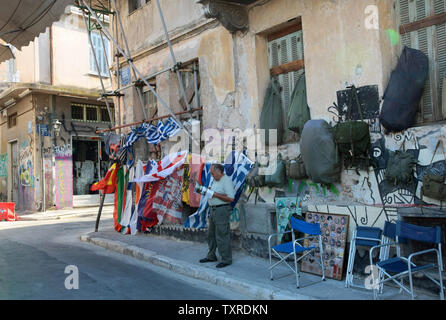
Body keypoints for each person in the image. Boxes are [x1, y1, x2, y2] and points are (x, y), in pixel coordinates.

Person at [199, 163, 236, 268]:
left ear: (219, 172)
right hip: (213, 210)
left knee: (222, 235)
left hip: (221, 210)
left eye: (212, 173)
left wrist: (215, 194)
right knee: (211, 235)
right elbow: (214, 192)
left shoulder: (226, 180)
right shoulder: (216, 180)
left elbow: (231, 198)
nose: (211, 175)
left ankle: (226, 259)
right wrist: (206, 191)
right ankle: (211, 255)